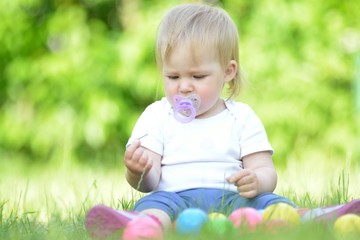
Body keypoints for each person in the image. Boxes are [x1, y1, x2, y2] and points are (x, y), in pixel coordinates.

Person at [85, 3, 360, 239]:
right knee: (154, 203)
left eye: (198, 77)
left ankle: (307, 216)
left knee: (266, 202)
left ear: (227, 72)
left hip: (232, 198)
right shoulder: (157, 115)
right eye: (173, 77)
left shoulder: (241, 117)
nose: (183, 87)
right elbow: (150, 181)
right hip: (175, 197)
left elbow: (266, 171)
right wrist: (138, 171)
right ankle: (141, 225)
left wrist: (256, 180)